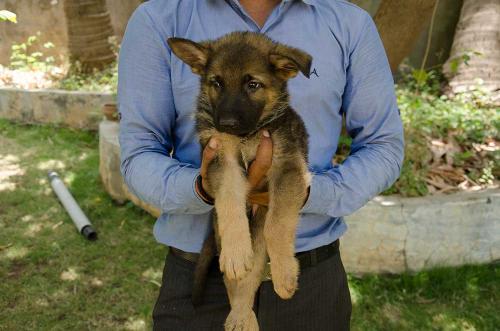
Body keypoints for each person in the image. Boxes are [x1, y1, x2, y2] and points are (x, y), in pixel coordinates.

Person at [117, 0, 404, 330]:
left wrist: (302, 192)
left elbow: (384, 147)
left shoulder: (348, 25)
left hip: (310, 277)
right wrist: (204, 189)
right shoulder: (159, 18)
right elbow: (139, 154)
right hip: (202, 276)